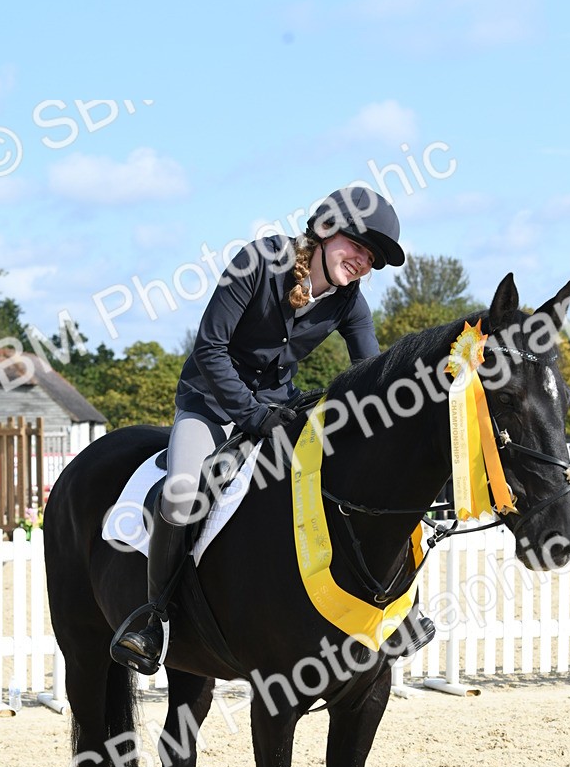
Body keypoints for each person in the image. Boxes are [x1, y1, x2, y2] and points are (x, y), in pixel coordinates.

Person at [113, 185, 436, 674]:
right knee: (180, 495)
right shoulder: (258, 261)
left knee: (354, 481)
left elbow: (372, 375)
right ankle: (154, 617)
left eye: (371, 258)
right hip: (211, 404)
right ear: (325, 231)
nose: (363, 263)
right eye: (358, 248)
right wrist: (253, 416)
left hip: (279, 410)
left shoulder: (350, 304)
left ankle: (396, 610)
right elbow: (210, 348)